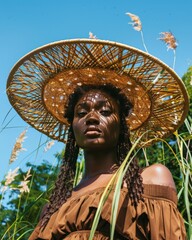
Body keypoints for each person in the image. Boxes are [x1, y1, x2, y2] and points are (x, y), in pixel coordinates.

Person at [6, 39, 189, 239]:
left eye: (105, 111)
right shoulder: (53, 208)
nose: (92, 118)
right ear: (72, 128)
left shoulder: (151, 179)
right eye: (82, 113)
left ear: (122, 126)